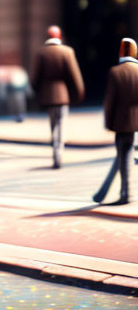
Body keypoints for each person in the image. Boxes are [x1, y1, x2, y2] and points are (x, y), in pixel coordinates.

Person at [31, 25, 84, 168]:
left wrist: (35, 94)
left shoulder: (41, 53)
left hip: (48, 96)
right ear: (59, 36)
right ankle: (58, 154)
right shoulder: (67, 51)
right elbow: (75, 75)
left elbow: (35, 78)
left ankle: (55, 149)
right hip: (62, 95)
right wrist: (79, 93)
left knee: (53, 125)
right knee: (61, 125)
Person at [93, 37, 138, 205]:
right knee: (126, 155)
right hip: (136, 122)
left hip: (121, 122)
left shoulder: (115, 72)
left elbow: (110, 101)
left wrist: (109, 123)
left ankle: (127, 193)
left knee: (124, 156)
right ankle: (125, 192)